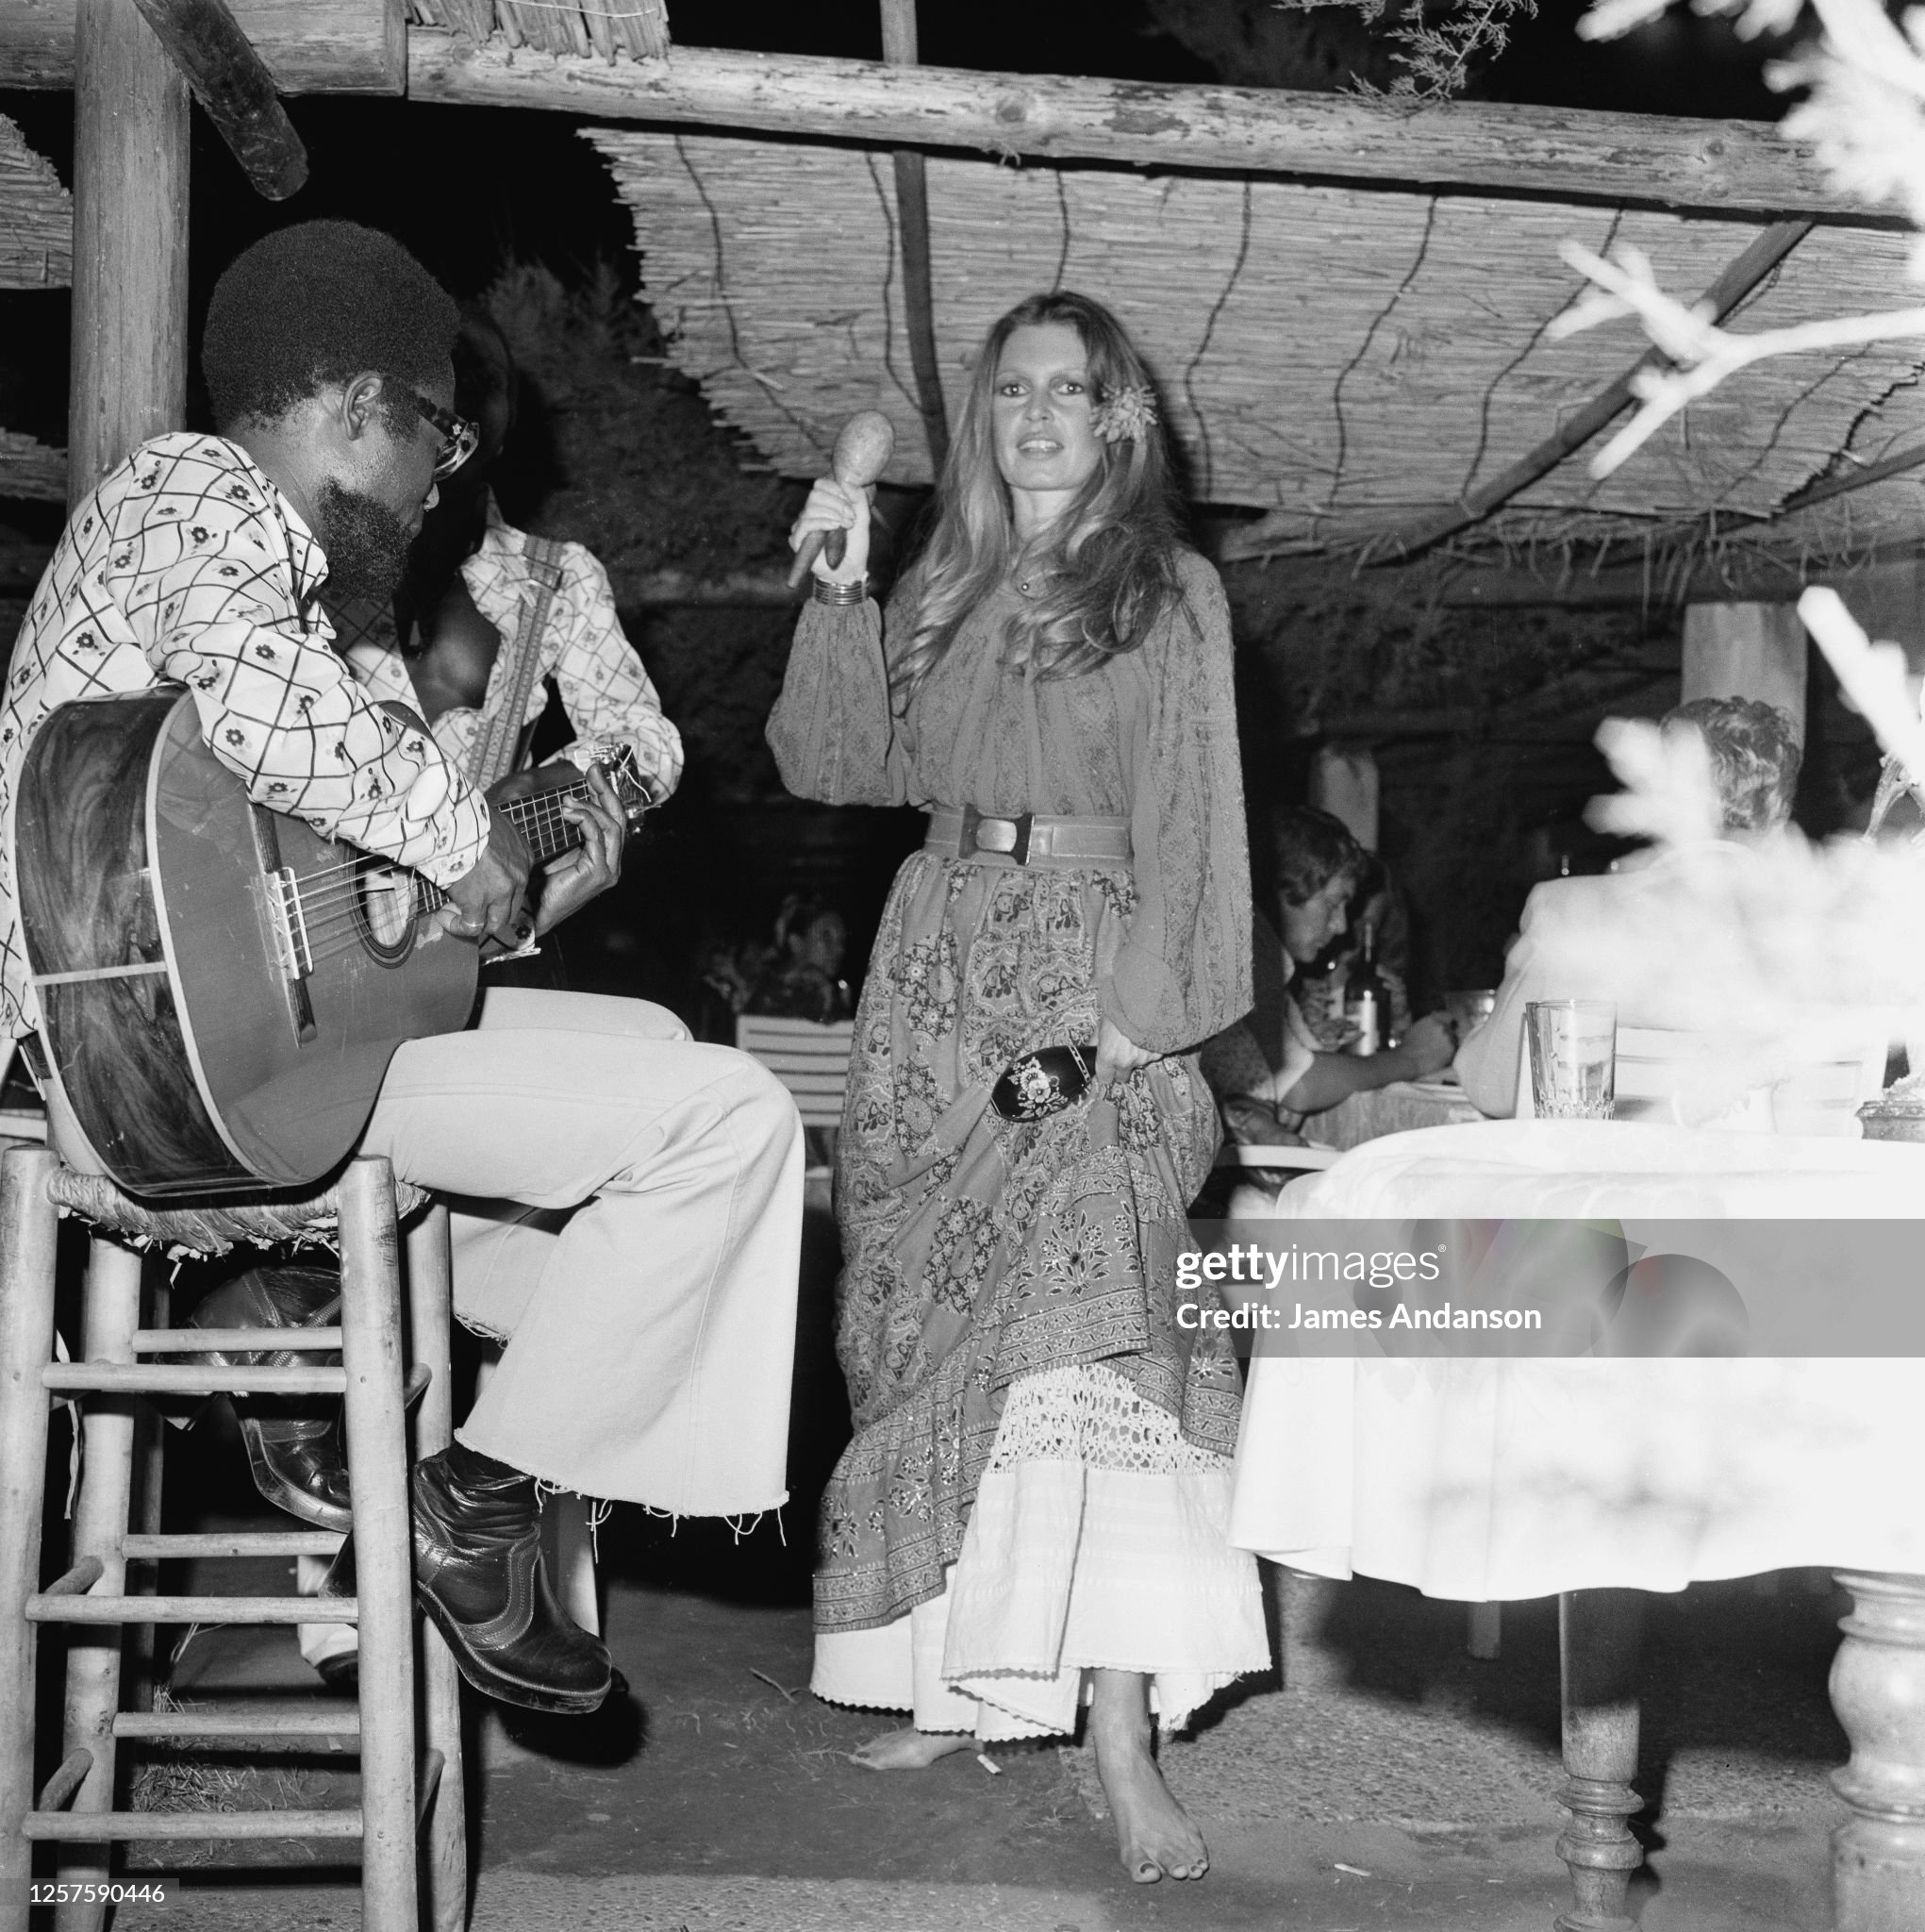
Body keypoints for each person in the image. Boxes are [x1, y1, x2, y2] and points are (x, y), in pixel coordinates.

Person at [0, 221, 803, 1715]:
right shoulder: (193, 489)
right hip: (158, 1075)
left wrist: (498, 878)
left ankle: (418, 1397)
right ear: (364, 405)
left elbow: (284, 845)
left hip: (215, 1049)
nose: (441, 477)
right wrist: (457, 833)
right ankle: (477, 1498)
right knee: (734, 1123)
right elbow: (273, 713)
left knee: (648, 1050)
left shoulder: (248, 567)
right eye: (438, 435)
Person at [767, 291, 1270, 1886]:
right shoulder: (946, 582)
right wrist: (837, 580)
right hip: (931, 981)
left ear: (1118, 418)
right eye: (1012, 391)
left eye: (1070, 390)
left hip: (1093, 984)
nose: (1037, 414)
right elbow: (836, 762)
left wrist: (1138, 1021)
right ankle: (964, 1680)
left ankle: (1119, 1730)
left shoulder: (1167, 590)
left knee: (1099, 1345)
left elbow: (1197, 814)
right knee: (930, 1345)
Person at [1453, 695, 1802, 1117]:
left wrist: (1470, 1042)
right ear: (1779, 815)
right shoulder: (1834, 931)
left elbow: (1493, 1088)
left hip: (1613, 1159)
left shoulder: (1572, 910)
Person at [1200, 807, 1454, 1156]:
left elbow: (1305, 1074)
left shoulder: (1272, 971)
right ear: (1281, 892)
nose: (1341, 926)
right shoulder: (1237, 961)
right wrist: (1415, 1057)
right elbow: (1303, 1084)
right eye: (1334, 904)